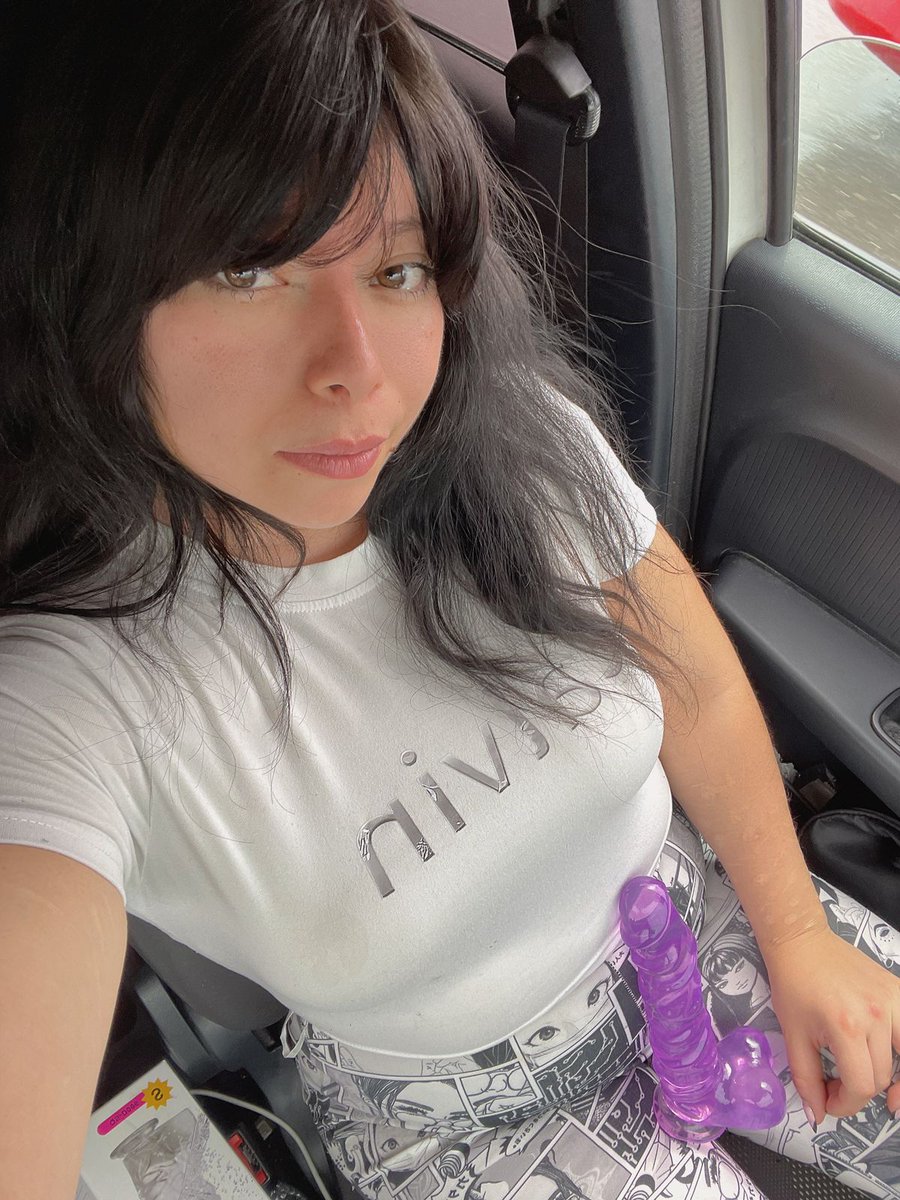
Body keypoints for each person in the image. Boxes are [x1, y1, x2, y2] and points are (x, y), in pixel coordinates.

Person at [0, 3, 898, 1199]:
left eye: (397, 269)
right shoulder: (71, 688)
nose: (359, 370)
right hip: (469, 1126)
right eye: (250, 268)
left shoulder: (522, 449)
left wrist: (797, 932)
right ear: (88, 295)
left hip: (699, 921)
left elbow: (693, 679)